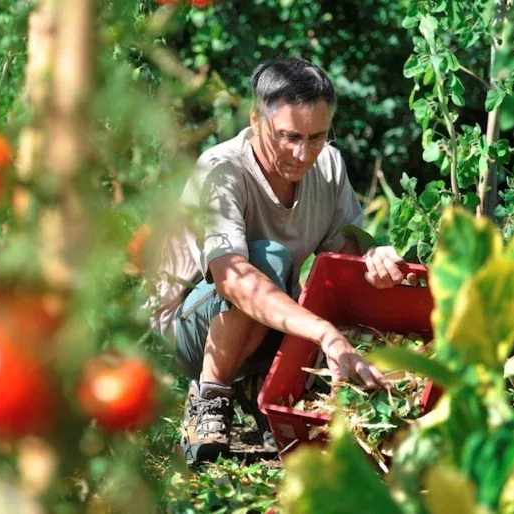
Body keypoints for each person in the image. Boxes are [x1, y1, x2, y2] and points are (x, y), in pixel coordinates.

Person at [149, 58, 416, 465]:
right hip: (182, 328)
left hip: (263, 314)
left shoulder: (328, 165)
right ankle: (211, 395)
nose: (302, 153)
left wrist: (373, 257)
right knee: (267, 259)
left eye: (317, 137)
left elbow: (341, 259)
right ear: (256, 120)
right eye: (288, 137)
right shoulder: (223, 170)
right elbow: (233, 280)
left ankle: (257, 382)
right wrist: (325, 334)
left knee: (300, 284)